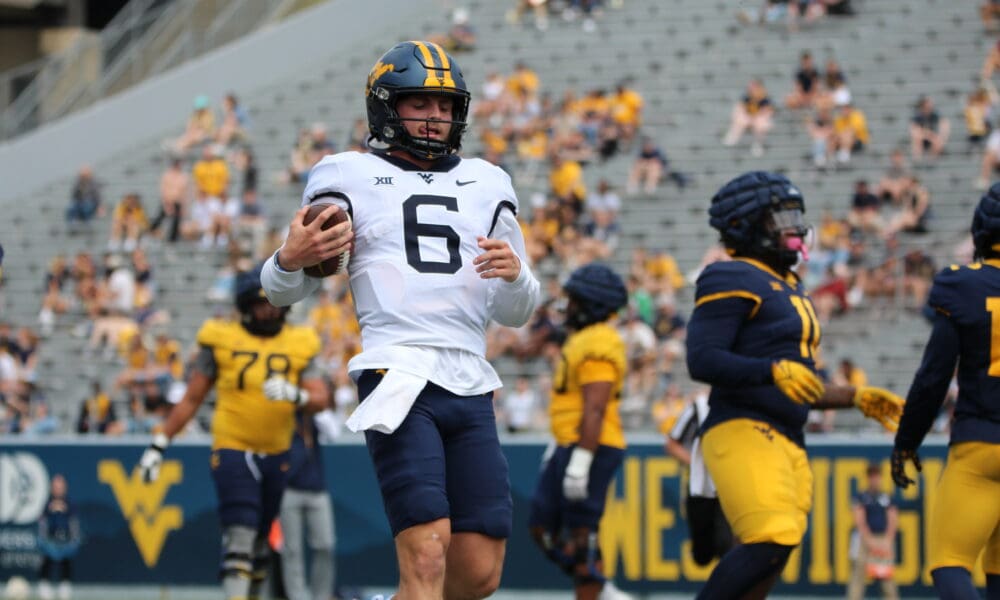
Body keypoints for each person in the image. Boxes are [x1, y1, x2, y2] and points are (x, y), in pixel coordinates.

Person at [260, 41, 541, 600]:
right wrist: (287, 259)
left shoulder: (489, 181)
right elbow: (280, 290)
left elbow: (517, 311)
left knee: (479, 572)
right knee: (427, 551)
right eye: (420, 104)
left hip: (471, 375)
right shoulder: (346, 173)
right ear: (387, 107)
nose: (436, 117)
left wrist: (516, 277)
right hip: (399, 371)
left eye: (444, 106)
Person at [686, 171, 905, 599]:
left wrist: (853, 397)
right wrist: (771, 370)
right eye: (779, 217)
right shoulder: (730, 275)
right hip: (743, 427)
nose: (793, 226)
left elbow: (797, 382)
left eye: (794, 215)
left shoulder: (790, 285)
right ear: (746, 226)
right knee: (770, 537)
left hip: (788, 436)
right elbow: (703, 359)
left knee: (773, 557)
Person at [138, 264, 328, 600]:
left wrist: (296, 395)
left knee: (259, 543)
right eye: (261, 303)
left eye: (274, 302)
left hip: (278, 450)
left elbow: (321, 397)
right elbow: (192, 398)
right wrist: (158, 444)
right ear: (245, 306)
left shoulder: (301, 341)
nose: (269, 310)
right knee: (240, 532)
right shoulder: (222, 338)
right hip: (232, 445)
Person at [891, 184, 1000, 599]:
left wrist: (906, 441)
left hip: (981, 446)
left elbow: (934, 377)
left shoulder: (965, 285)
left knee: (948, 561)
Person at [527, 263, 631, 600]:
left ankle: (593, 584)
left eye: (574, 300)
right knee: (543, 528)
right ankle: (600, 587)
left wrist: (582, 459)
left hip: (591, 445)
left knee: (581, 535)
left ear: (590, 303)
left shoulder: (598, 341)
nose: (567, 306)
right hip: (570, 441)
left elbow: (596, 408)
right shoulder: (582, 338)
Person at [664, 390, 734, 567]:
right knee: (702, 554)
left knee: (728, 546)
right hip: (701, 488)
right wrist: (699, 464)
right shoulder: (699, 407)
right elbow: (672, 444)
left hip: (731, 487)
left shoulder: (746, 403)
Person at [279, 411, 338, 600]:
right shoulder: (282, 412)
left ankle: (321, 596)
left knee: (325, 544)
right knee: (292, 550)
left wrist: (316, 406)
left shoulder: (313, 415)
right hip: (288, 490)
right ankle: (296, 597)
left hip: (317, 490)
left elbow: (334, 433)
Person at [847, 464, 899, 600]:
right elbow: (860, 519)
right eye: (872, 476)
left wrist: (888, 540)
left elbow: (893, 519)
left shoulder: (886, 497)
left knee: (887, 578)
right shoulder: (862, 497)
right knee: (858, 575)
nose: (874, 480)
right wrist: (868, 539)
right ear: (868, 478)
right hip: (865, 539)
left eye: (877, 476)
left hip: (883, 539)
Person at [36, 474, 80, 600]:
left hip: (66, 540)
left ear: (65, 488)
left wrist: (74, 539)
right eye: (56, 486)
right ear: (51, 488)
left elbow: (74, 523)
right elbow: (42, 522)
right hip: (50, 540)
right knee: (46, 560)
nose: (58, 489)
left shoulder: (70, 504)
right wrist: (43, 539)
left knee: (66, 561)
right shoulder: (47, 504)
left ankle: (64, 586)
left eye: (60, 486)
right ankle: (44, 585)